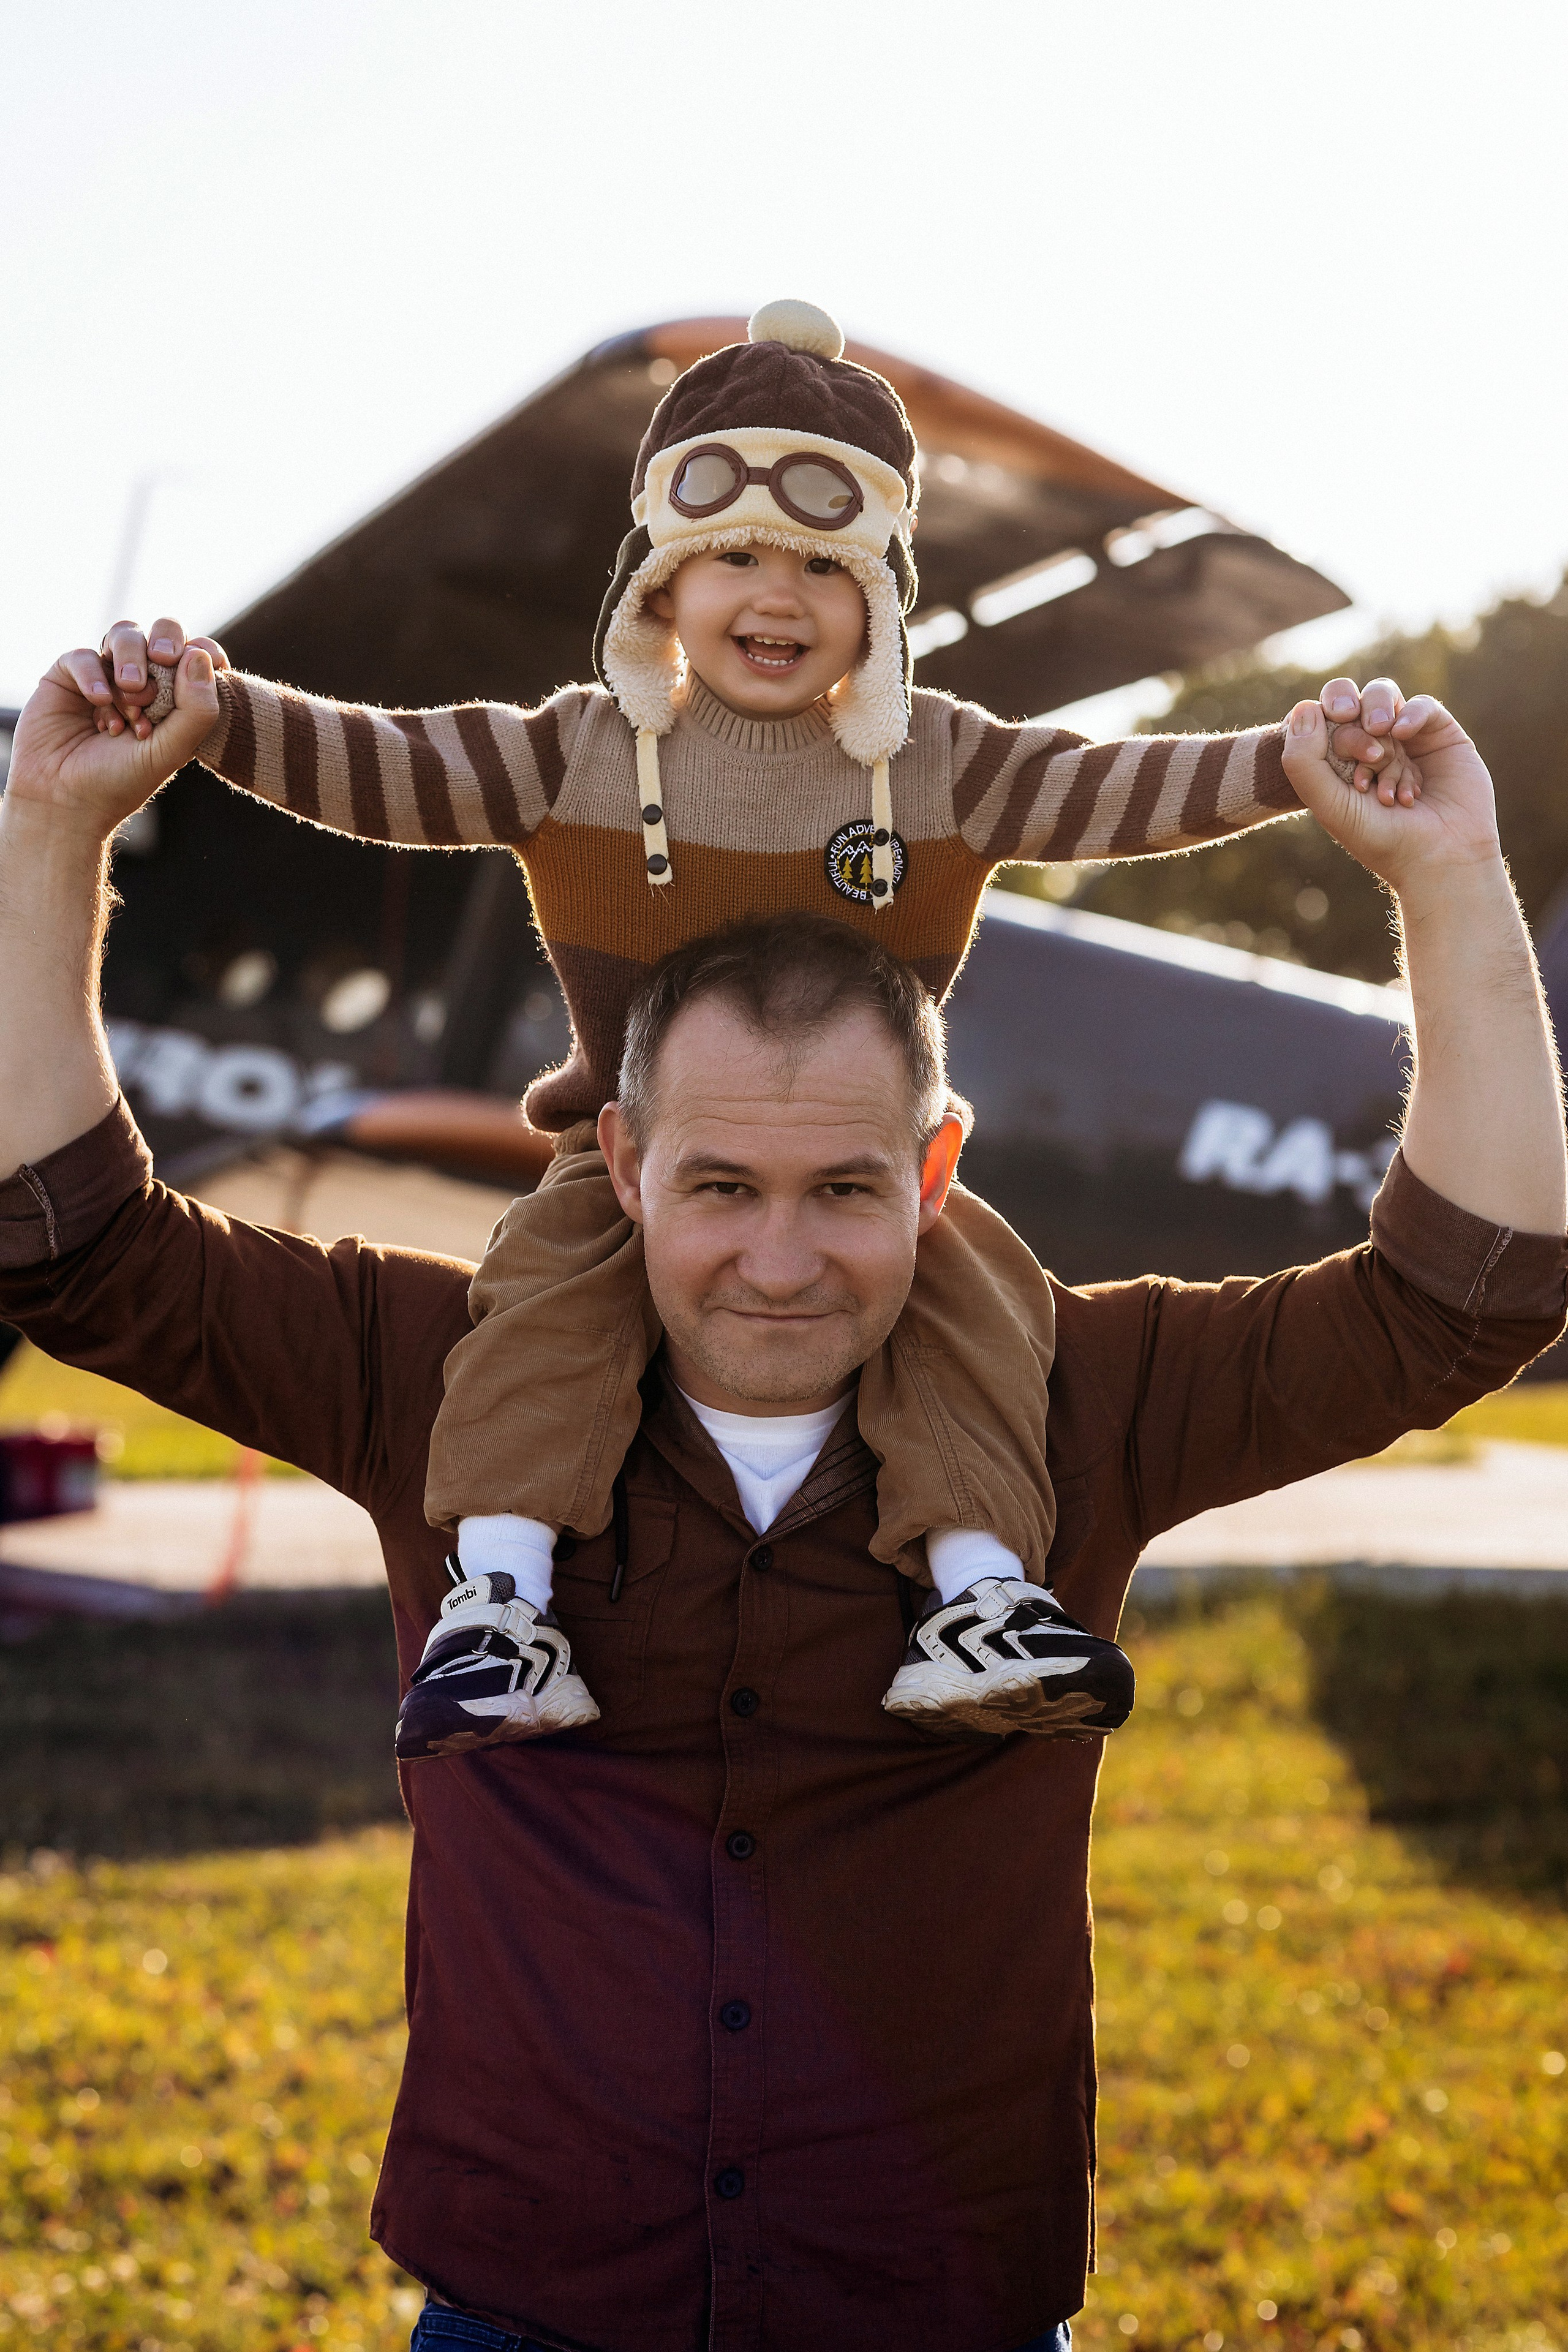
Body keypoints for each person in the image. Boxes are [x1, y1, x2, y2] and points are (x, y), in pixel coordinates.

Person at [0, 643, 1562, 2351]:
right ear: (620, 1159)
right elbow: (72, 1246)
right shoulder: (431, 1369)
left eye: (846, 1190)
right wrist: (53, 832)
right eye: (720, 1184)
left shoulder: (1081, 1402)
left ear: (938, 1166)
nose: (779, 1261)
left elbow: (1467, 1297)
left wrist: (1451, 874)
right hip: (534, 2301)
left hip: (931, 2300)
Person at [75, 300, 1424, 1756]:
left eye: (823, 569)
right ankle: (505, 1609)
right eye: (728, 555)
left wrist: (1290, 762)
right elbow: (384, 768)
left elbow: (1111, 790)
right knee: (542, 1300)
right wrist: (212, 716)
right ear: (660, 584)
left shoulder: (939, 762)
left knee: (974, 1313)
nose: (773, 596)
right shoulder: (569, 749)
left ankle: (980, 1602)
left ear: (880, 603)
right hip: (638, 1146)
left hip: (868, 1157)